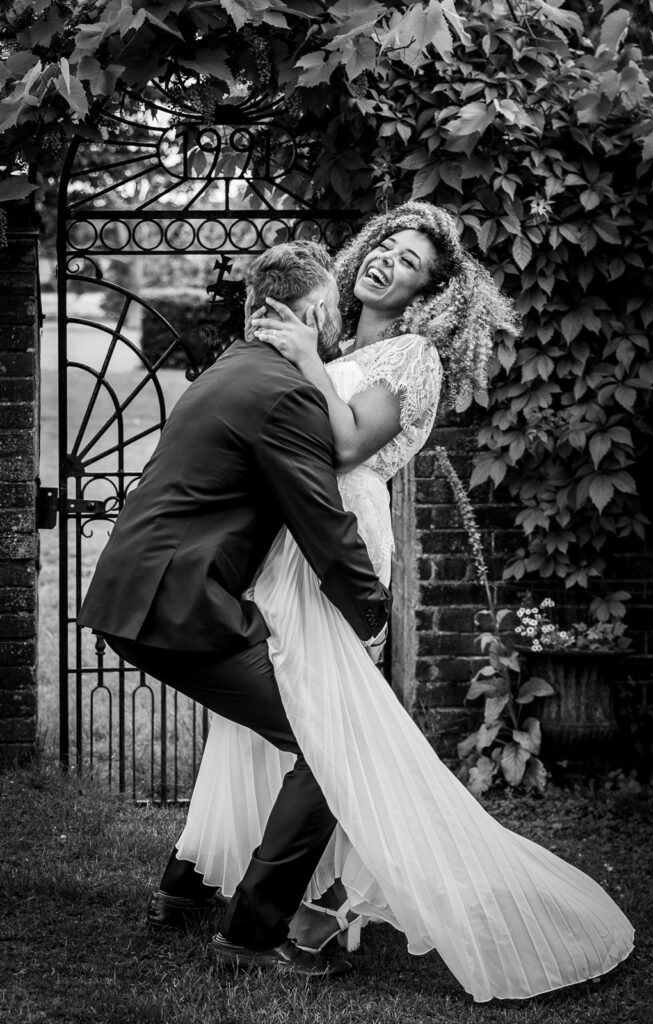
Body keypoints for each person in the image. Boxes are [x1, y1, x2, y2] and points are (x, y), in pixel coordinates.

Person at [158, 201, 634, 1002]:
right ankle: (216, 878)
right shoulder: (340, 342)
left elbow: (347, 446)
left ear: (430, 290)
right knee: (278, 710)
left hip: (340, 537)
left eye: (409, 260)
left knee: (331, 716)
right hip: (285, 543)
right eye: (384, 245)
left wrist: (310, 360)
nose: (386, 261)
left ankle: (309, 907)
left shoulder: (413, 356)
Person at [77, 239, 393, 980]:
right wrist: (372, 615)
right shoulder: (283, 391)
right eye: (333, 309)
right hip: (176, 607)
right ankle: (252, 934)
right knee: (333, 744)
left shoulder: (232, 368)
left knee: (306, 737)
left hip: (146, 595)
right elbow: (323, 524)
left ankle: (186, 895)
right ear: (315, 309)